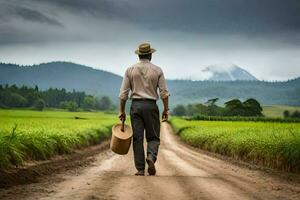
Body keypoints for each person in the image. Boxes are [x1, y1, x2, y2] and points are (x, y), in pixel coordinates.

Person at [118, 42, 170, 176]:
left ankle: (140, 169)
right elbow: (164, 92)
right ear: (150, 55)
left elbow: (123, 93)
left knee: (137, 138)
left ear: (139, 55)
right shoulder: (157, 70)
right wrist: (166, 109)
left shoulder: (130, 70)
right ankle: (151, 157)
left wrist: (122, 111)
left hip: (135, 106)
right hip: (151, 106)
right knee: (153, 137)